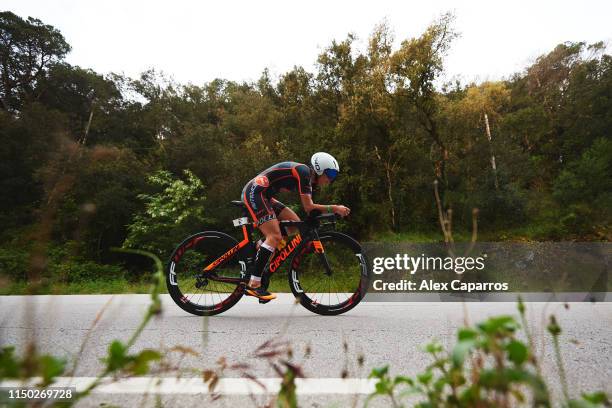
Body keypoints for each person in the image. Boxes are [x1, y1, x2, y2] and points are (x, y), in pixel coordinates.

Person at [241, 152, 350, 301]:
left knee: (294, 227)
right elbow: (309, 207)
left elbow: (311, 210)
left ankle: (258, 247)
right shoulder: (304, 172)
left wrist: (323, 214)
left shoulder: (310, 181)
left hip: (264, 195)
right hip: (255, 192)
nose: (331, 179)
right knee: (275, 236)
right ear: (319, 169)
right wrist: (335, 208)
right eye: (330, 174)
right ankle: (254, 284)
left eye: (334, 176)